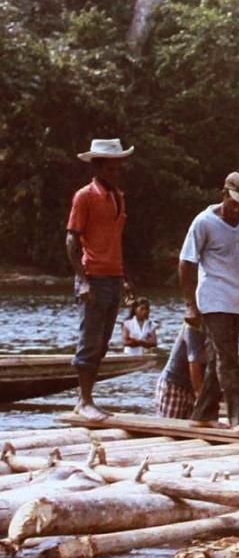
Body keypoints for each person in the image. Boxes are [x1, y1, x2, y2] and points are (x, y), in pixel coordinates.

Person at [180, 172, 239, 428]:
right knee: (229, 361)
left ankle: (202, 415)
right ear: (224, 195)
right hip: (212, 299)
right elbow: (186, 263)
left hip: (234, 301)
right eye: (234, 203)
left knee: (221, 359)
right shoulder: (203, 222)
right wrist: (189, 304)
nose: (238, 209)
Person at [66, 137, 134, 421]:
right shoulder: (84, 196)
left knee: (103, 342)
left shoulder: (118, 195)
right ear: (100, 166)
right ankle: (84, 401)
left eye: (119, 164)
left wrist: (125, 276)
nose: (118, 169)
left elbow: (115, 240)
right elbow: (72, 239)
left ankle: (88, 399)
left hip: (113, 276)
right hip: (93, 276)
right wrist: (82, 279)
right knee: (90, 341)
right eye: (113, 165)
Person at [154, 325, 207, 419]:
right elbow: (195, 364)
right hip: (174, 384)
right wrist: (201, 397)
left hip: (191, 385)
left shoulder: (214, 329)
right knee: (170, 429)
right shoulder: (193, 325)